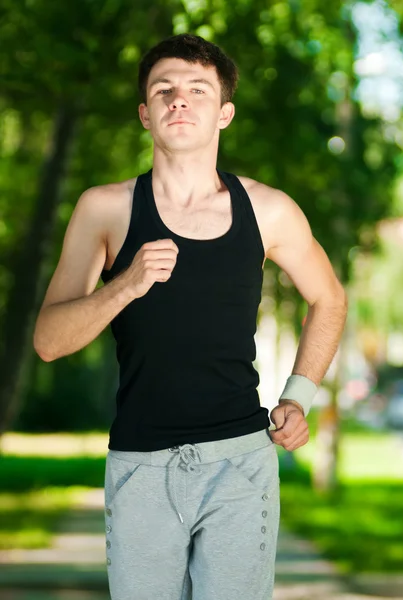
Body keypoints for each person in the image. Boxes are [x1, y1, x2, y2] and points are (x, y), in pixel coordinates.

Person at [33, 33, 347, 600]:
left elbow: (329, 299)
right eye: (164, 89)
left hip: (241, 462)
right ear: (145, 115)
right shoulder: (104, 209)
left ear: (224, 113)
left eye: (198, 89)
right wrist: (124, 286)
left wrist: (298, 396)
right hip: (140, 465)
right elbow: (49, 341)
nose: (180, 99)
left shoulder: (269, 210)